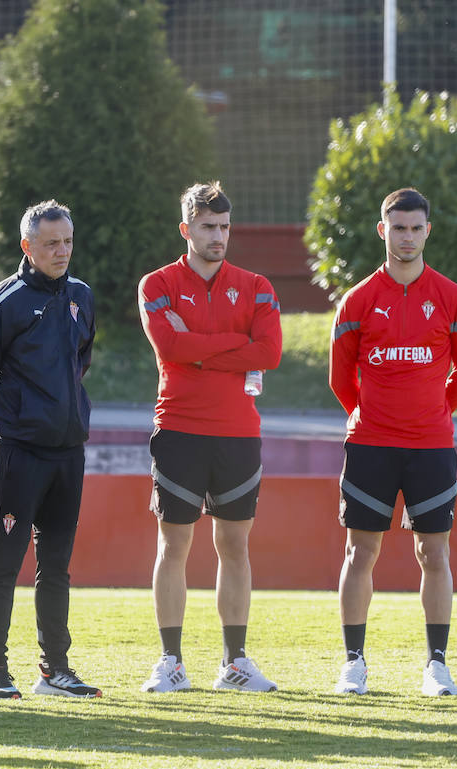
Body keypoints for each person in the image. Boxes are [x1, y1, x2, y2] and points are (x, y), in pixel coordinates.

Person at [329, 187, 457, 697]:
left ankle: (437, 665)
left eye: (416, 228)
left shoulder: (452, 297)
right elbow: (339, 379)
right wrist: (370, 417)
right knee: (359, 551)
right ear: (382, 230)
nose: (407, 237)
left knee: (433, 553)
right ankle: (354, 664)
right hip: (370, 445)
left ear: (427, 231)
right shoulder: (358, 300)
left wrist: (432, 414)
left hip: (431, 447)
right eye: (398, 228)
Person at [136, 182, 283, 694]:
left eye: (224, 227)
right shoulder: (156, 284)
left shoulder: (258, 285)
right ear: (187, 229)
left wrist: (197, 348)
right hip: (178, 428)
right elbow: (168, 345)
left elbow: (269, 353)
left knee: (234, 546)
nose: (218, 236)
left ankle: (234, 662)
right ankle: (171, 661)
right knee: (173, 544)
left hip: (239, 433)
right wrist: (234, 343)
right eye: (208, 227)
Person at [0, 200, 101, 701]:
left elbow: (80, 360)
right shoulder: (2, 303)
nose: (61, 252)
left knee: (56, 564)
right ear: (27, 247)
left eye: (67, 242)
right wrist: (4, 424)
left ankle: (54, 669)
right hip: (20, 451)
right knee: (6, 560)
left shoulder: (81, 295)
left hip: (69, 450)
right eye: (50, 244)